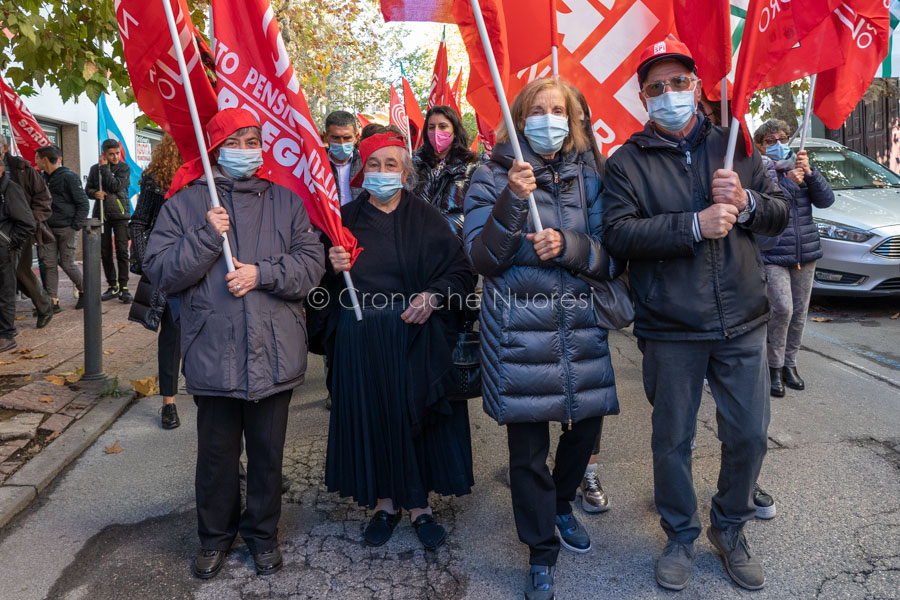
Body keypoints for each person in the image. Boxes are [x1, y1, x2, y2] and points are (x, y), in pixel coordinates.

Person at [602, 37, 789, 592]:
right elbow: (617, 234)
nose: (669, 95)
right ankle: (680, 534)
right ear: (642, 97)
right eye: (656, 88)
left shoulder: (739, 145)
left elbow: (778, 212)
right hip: (671, 328)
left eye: (678, 83)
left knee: (750, 435)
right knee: (672, 442)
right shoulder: (625, 162)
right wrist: (692, 225)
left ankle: (728, 528)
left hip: (743, 321)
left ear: (698, 86)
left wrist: (748, 203)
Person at [143, 109, 325, 580]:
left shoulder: (287, 201)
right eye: (237, 140)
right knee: (217, 458)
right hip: (213, 352)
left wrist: (261, 274)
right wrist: (208, 235)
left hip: (275, 350)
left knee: (267, 456)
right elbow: (160, 271)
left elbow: (310, 266)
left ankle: (262, 537)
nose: (247, 149)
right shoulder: (185, 205)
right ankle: (215, 538)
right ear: (217, 147)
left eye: (254, 140)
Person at [464, 78, 619, 600]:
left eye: (559, 109)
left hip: (580, 326)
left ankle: (560, 503)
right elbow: (482, 258)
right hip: (519, 333)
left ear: (574, 119)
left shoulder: (588, 176)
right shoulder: (490, 174)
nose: (548, 118)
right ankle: (540, 550)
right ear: (519, 116)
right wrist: (513, 197)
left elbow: (611, 255)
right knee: (527, 451)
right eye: (538, 109)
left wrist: (570, 245)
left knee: (585, 428)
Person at [323, 132, 476, 551]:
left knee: (417, 419)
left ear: (406, 172)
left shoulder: (426, 218)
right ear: (362, 171)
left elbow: (461, 273)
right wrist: (331, 265)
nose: (383, 173)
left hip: (415, 336)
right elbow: (315, 283)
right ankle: (386, 505)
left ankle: (420, 507)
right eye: (374, 165)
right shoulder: (342, 219)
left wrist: (433, 296)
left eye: (392, 165)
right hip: (361, 340)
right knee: (374, 420)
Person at [754, 119, 835, 398]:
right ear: (761, 145)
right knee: (782, 309)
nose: (778, 144)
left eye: (782, 138)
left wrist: (809, 173)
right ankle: (773, 367)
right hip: (774, 252)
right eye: (770, 140)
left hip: (805, 252)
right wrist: (789, 184)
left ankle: (790, 364)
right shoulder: (761, 169)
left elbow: (826, 200)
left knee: (799, 314)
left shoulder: (799, 165)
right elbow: (770, 207)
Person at [566, 84, 612, 515]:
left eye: (575, 114)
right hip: (539, 307)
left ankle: (588, 471)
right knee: (545, 393)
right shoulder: (526, 168)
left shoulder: (600, 170)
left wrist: (569, 247)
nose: (567, 122)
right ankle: (556, 470)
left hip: (587, 300)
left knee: (588, 397)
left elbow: (609, 245)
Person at [128, 135, 185, 430]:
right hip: (170, 268)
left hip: (208, 266)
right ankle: (169, 402)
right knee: (172, 334)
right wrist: (148, 262)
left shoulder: (213, 173)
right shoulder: (158, 176)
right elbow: (139, 222)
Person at [2, 135, 54, 329]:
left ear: (6, 147)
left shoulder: (22, 168)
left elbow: (44, 198)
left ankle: (44, 305)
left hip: (19, 229)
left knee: (19, 271)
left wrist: (30, 220)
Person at [34, 145, 88, 312]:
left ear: (44, 160)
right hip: (47, 229)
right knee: (49, 263)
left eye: (37, 158)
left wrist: (74, 226)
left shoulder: (69, 177)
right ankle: (53, 301)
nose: (35, 161)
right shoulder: (41, 177)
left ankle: (86, 290)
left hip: (66, 228)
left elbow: (83, 203)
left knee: (66, 263)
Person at [413, 105, 480, 237]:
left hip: (456, 246)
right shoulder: (415, 164)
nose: (436, 132)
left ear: (455, 131)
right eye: (431, 127)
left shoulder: (472, 165)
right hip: (419, 245)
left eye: (443, 126)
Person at [86, 138, 133, 303]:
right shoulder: (94, 169)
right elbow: (88, 188)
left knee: (121, 251)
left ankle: (124, 287)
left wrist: (105, 168)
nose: (115, 157)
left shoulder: (124, 168)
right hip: (102, 214)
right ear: (103, 154)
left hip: (120, 215)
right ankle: (112, 286)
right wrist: (94, 194)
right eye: (111, 154)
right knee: (104, 251)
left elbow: (115, 186)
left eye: (117, 153)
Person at [0, 158, 36, 352]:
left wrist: (8, 242)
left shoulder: (10, 189)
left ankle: (6, 334)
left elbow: (28, 223)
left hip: (4, 251)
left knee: (5, 291)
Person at [323, 110, 364, 207]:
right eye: (335, 138)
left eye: (347, 138)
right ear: (326, 137)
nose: (342, 143)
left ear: (356, 138)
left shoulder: (367, 164)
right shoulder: (316, 165)